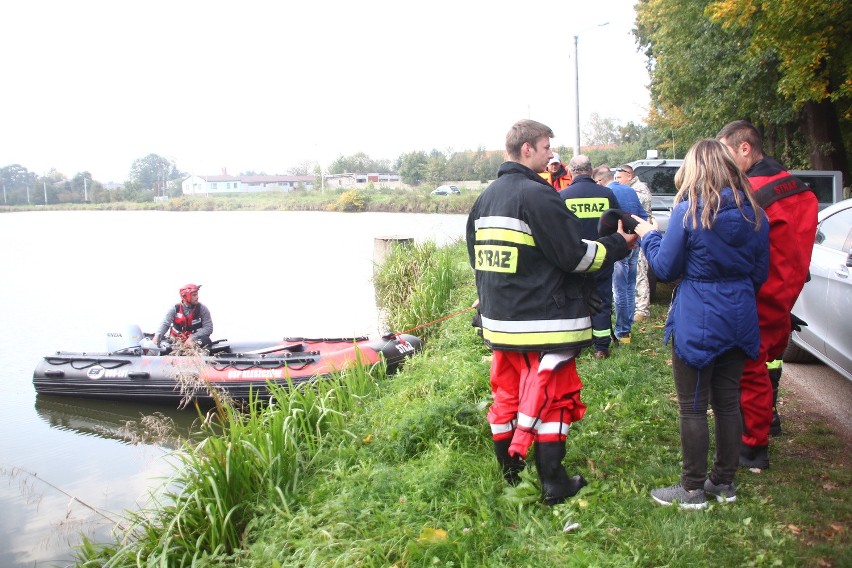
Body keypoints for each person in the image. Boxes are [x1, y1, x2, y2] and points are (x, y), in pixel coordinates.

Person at [466, 119, 635, 505]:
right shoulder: (538, 196)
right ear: (527, 149)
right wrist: (619, 245)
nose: (550, 155)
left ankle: (512, 477)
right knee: (554, 399)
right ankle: (554, 483)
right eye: (545, 148)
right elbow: (575, 257)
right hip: (543, 323)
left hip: (500, 325)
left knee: (507, 396)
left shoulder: (485, 198)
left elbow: (478, 259)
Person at [631, 138, 770, 509]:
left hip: (698, 317)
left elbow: (665, 268)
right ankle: (723, 483)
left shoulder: (689, 211)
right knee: (727, 403)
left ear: (695, 169)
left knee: (692, 406)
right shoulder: (756, 213)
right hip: (740, 316)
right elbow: (760, 273)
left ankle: (692, 489)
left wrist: (649, 237)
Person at [717, 120, 819, 467]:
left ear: (744, 148)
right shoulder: (800, 188)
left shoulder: (751, 191)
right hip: (787, 292)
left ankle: (752, 447)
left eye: (727, 153)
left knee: (749, 370)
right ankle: (766, 424)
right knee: (765, 362)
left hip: (756, 294)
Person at [559, 156, 620, 358]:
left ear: (570, 172)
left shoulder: (562, 196)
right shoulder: (607, 193)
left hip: (575, 259)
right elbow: (617, 224)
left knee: (575, 300)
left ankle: (575, 345)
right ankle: (601, 347)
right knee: (602, 298)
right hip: (602, 255)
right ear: (591, 170)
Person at [594, 166, 647, 344]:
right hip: (635, 243)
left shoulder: (607, 193)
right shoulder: (630, 190)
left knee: (619, 289)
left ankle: (621, 331)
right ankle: (627, 331)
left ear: (600, 181)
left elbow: (607, 222)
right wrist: (635, 239)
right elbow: (642, 216)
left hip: (620, 246)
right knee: (630, 287)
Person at [615, 164, 654, 322]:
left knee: (639, 273)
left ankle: (642, 310)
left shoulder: (638, 189)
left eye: (619, 178)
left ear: (629, 175)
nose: (617, 181)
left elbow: (635, 211)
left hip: (641, 234)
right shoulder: (631, 188)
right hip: (637, 232)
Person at [152, 283, 214, 349]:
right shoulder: (175, 308)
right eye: (194, 295)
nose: (197, 297)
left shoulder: (203, 309)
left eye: (197, 294)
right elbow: (165, 324)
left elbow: (208, 328)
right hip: (176, 341)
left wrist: (192, 337)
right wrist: (157, 337)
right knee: (164, 345)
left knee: (206, 341)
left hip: (194, 340)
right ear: (185, 297)